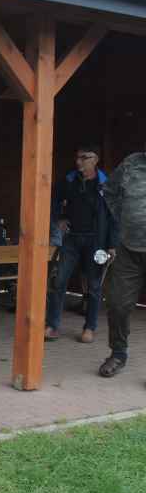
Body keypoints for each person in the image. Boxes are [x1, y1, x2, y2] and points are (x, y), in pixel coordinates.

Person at [45, 146, 118, 343]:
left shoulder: (106, 184)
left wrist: (112, 245)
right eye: (78, 157)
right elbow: (53, 200)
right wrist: (59, 218)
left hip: (97, 242)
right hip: (71, 239)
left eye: (84, 158)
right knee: (59, 281)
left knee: (94, 285)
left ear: (95, 160)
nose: (79, 161)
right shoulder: (69, 181)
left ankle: (89, 328)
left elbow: (114, 217)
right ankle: (52, 325)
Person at [97, 151, 146, 378]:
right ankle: (118, 353)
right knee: (117, 303)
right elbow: (109, 191)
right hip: (128, 249)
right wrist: (124, 218)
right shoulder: (131, 163)